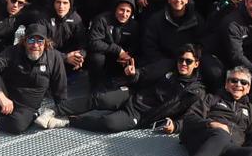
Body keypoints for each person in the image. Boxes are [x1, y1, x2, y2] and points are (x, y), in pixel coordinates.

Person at [41, 45, 206, 132]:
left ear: (197, 63)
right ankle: (55, 110)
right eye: (181, 60)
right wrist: (133, 74)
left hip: (142, 115)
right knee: (100, 98)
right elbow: (143, 75)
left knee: (109, 123)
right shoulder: (167, 66)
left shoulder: (195, 92)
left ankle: (69, 121)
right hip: (133, 95)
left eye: (188, 61)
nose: (183, 64)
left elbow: (192, 117)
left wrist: (176, 126)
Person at [0, 23, 67, 149]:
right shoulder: (13, 51)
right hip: (6, 97)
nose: (35, 45)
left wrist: (62, 111)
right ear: (24, 41)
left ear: (46, 43)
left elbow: (60, 88)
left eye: (40, 41)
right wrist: (0, 95)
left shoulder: (54, 57)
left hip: (27, 106)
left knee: (18, 127)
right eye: (31, 40)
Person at [140, 0, 207, 81]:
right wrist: (167, 64)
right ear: (168, 0)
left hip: (188, 63)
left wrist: (189, 61)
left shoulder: (197, 20)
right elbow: (149, 46)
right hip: (163, 62)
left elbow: (202, 43)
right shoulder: (156, 20)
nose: (178, 0)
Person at [25, 0, 87, 74]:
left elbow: (83, 43)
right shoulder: (43, 18)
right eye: (58, 2)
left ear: (70, 5)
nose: (61, 6)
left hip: (70, 57)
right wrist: (65, 57)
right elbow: (39, 45)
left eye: (65, 3)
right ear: (53, 3)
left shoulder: (76, 19)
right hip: (48, 56)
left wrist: (80, 55)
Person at [86, 0, 141, 90]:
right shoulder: (102, 20)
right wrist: (118, 50)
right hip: (105, 56)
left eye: (128, 11)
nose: (124, 14)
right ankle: (95, 86)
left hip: (122, 60)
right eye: (121, 10)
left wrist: (128, 56)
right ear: (115, 8)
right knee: (96, 58)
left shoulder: (134, 25)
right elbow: (93, 42)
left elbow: (135, 45)